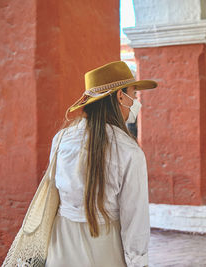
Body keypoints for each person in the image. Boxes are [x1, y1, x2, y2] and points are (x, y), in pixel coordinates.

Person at [45, 61, 157, 267]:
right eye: (133, 94)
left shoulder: (61, 139)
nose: (135, 102)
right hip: (107, 250)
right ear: (120, 96)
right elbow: (135, 220)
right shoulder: (129, 151)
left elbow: (53, 191)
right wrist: (138, 262)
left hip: (61, 246)